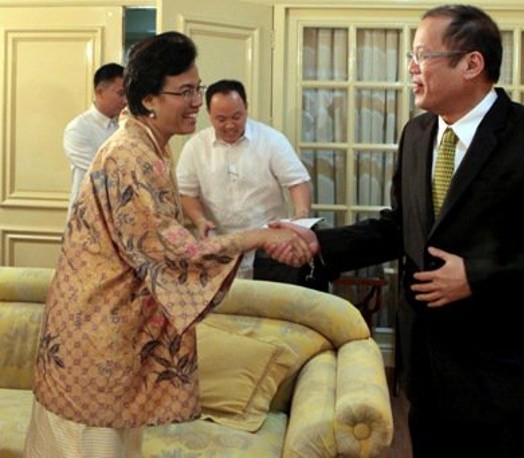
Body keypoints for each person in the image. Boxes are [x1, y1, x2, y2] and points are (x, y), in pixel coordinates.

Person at [268, 5, 524, 458]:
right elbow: (400, 227)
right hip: (428, 367)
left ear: (472, 63)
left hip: (503, 372)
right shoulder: (417, 134)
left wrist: (479, 276)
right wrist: (320, 243)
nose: (410, 69)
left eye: (421, 55)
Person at [24, 31, 311, 457]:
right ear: (149, 99)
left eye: (199, 88)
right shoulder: (129, 154)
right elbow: (170, 249)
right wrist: (260, 237)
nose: (198, 101)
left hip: (113, 326)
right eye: (186, 91)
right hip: (98, 332)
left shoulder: (150, 146)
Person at [176, 79, 315, 284]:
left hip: (270, 248)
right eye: (221, 119)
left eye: (236, 117)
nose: (230, 125)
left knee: (271, 307)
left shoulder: (271, 140)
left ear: (246, 108)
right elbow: (186, 192)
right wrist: (199, 220)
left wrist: (301, 215)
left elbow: (298, 181)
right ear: (209, 115)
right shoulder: (195, 147)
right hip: (221, 247)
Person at [64, 63, 127, 212]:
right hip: (88, 214)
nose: (125, 101)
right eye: (120, 93)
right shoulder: (78, 129)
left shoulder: (125, 125)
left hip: (119, 213)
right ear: (100, 92)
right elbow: (99, 173)